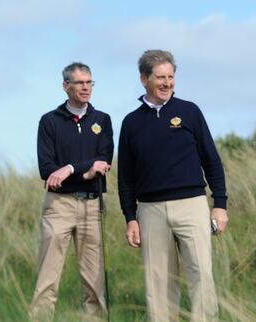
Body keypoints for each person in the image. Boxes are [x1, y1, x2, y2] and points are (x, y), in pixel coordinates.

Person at [117, 49, 228, 322]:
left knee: (201, 275)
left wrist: (220, 206)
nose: (167, 83)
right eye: (160, 77)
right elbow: (126, 178)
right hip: (150, 211)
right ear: (144, 79)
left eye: (170, 77)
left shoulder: (189, 112)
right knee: (159, 286)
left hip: (192, 206)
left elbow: (211, 161)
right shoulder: (131, 123)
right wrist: (130, 217)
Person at [30, 62, 114, 320]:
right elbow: (47, 169)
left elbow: (103, 160)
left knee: (94, 278)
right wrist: (84, 171)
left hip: (91, 204)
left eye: (89, 82)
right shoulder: (49, 121)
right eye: (80, 83)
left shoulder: (102, 120)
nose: (86, 88)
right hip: (59, 205)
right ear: (66, 86)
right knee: (48, 275)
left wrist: (67, 169)